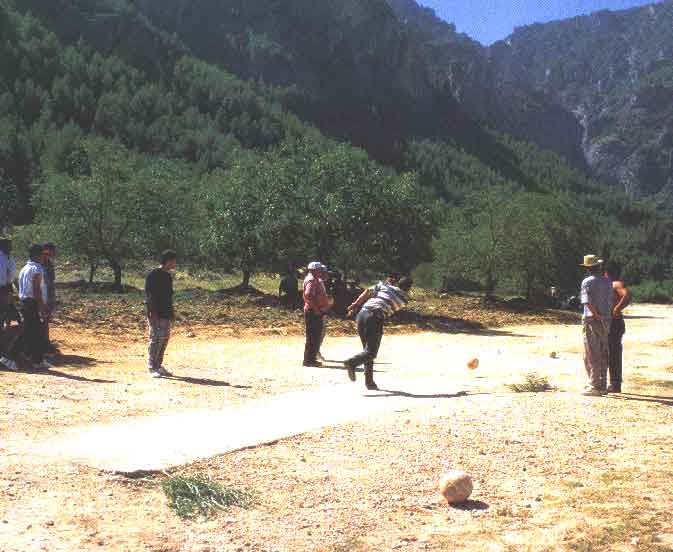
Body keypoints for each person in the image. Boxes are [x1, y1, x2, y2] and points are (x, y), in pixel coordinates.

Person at [343, 274, 413, 390]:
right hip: (374, 318)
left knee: (366, 352)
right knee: (371, 353)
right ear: (409, 288)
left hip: (361, 314)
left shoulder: (384, 286)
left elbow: (367, 291)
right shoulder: (404, 299)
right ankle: (352, 363)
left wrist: (355, 304)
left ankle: (369, 382)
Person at [579, 255, 613, 396]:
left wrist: (596, 314)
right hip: (606, 319)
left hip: (592, 319)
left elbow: (587, 301)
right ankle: (603, 384)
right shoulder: (607, 281)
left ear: (587, 268)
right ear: (598, 266)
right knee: (603, 351)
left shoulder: (587, 281)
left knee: (592, 352)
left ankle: (594, 385)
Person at [17, 244, 51, 371]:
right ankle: (37, 360)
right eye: (43, 254)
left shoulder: (24, 268)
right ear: (37, 255)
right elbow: (37, 290)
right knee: (37, 332)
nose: (44, 257)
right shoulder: (37, 269)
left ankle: (32, 358)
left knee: (30, 331)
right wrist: (42, 307)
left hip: (25, 303)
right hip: (32, 303)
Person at [145, 250, 177, 378]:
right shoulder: (153, 275)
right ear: (168, 261)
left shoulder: (168, 276)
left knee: (164, 338)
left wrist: (172, 312)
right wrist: (152, 312)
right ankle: (151, 366)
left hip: (166, 312)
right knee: (156, 339)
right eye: (174, 261)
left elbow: (169, 296)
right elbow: (149, 295)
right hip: (155, 312)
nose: (175, 264)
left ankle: (158, 365)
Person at [604, 261, 631, 393]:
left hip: (614, 323)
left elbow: (627, 295)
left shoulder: (616, 284)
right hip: (613, 322)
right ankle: (614, 383)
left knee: (613, 353)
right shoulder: (613, 284)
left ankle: (615, 384)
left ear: (606, 273)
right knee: (612, 352)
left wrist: (617, 309)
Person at [303, 261, 332, 367]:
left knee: (314, 336)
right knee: (313, 337)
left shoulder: (314, 279)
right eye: (319, 270)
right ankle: (309, 360)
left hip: (315, 311)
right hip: (313, 312)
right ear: (313, 270)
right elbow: (308, 295)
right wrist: (316, 309)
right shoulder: (311, 280)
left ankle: (311, 359)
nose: (321, 272)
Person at [0, 238, 19, 371]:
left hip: (7, 290)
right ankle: (4, 354)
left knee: (9, 321)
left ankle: (6, 352)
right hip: (3, 290)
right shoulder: (2, 259)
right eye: (8, 245)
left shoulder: (9, 258)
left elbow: (13, 277)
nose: (11, 247)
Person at [41, 243, 57, 353]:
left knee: (46, 318)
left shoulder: (49, 263)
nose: (53, 253)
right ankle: (43, 342)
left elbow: (51, 281)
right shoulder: (39, 264)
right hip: (41, 294)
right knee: (42, 319)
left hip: (48, 293)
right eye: (52, 251)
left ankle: (45, 342)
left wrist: (51, 296)